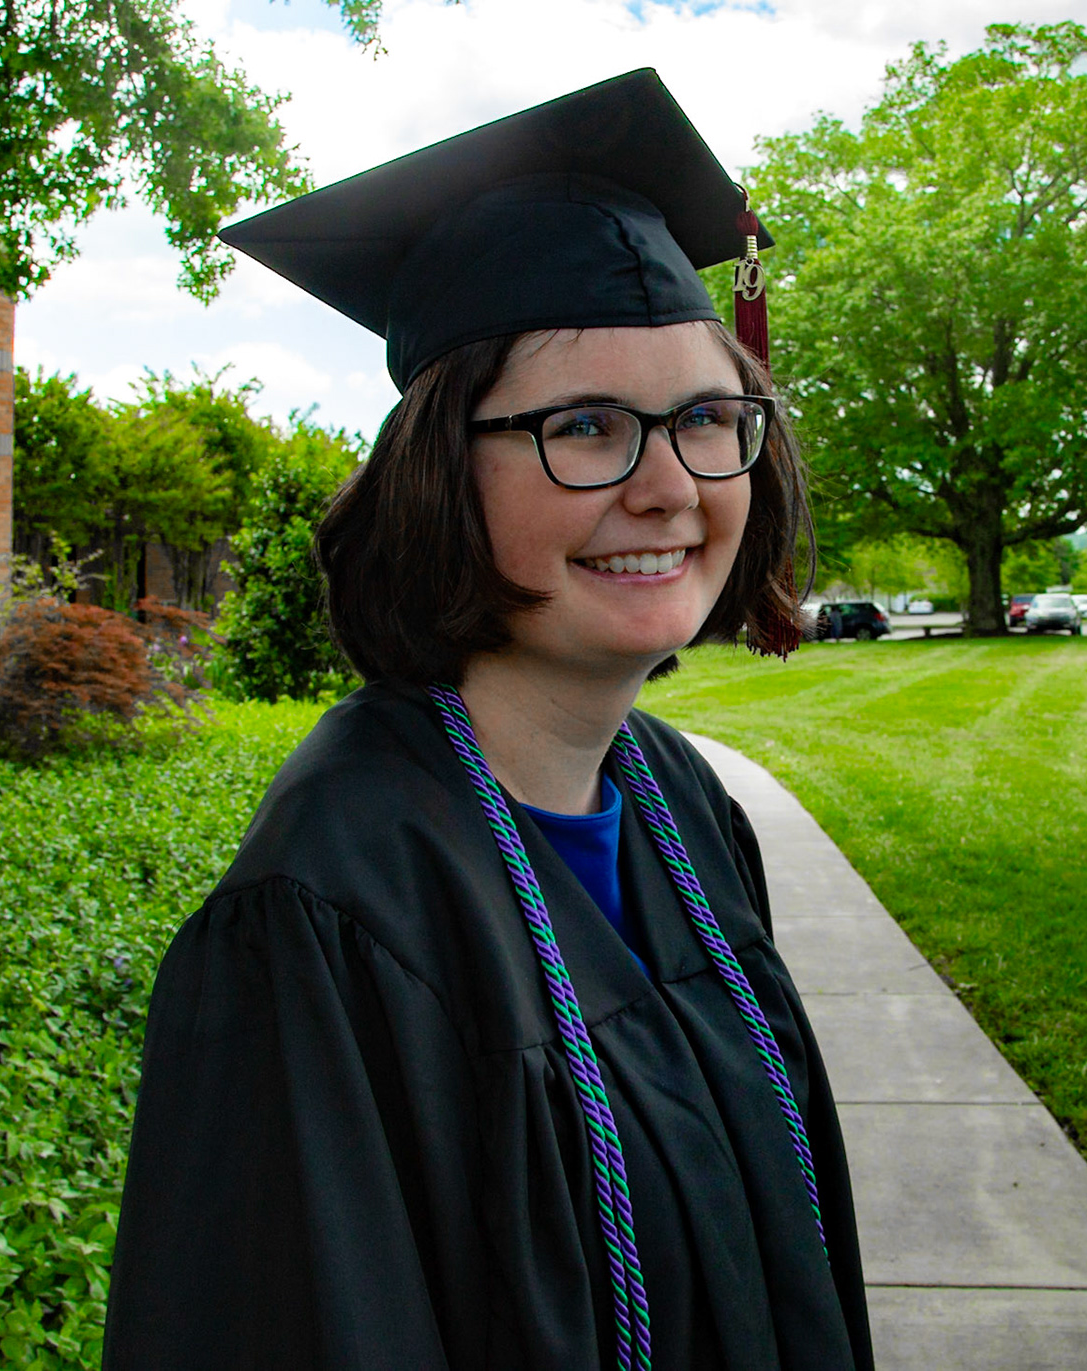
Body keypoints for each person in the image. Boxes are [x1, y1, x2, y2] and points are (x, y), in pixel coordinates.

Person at [103, 70, 874, 1371]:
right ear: (439, 470)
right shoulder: (325, 915)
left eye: (704, 419)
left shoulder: (682, 804)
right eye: (585, 426)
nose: (670, 488)